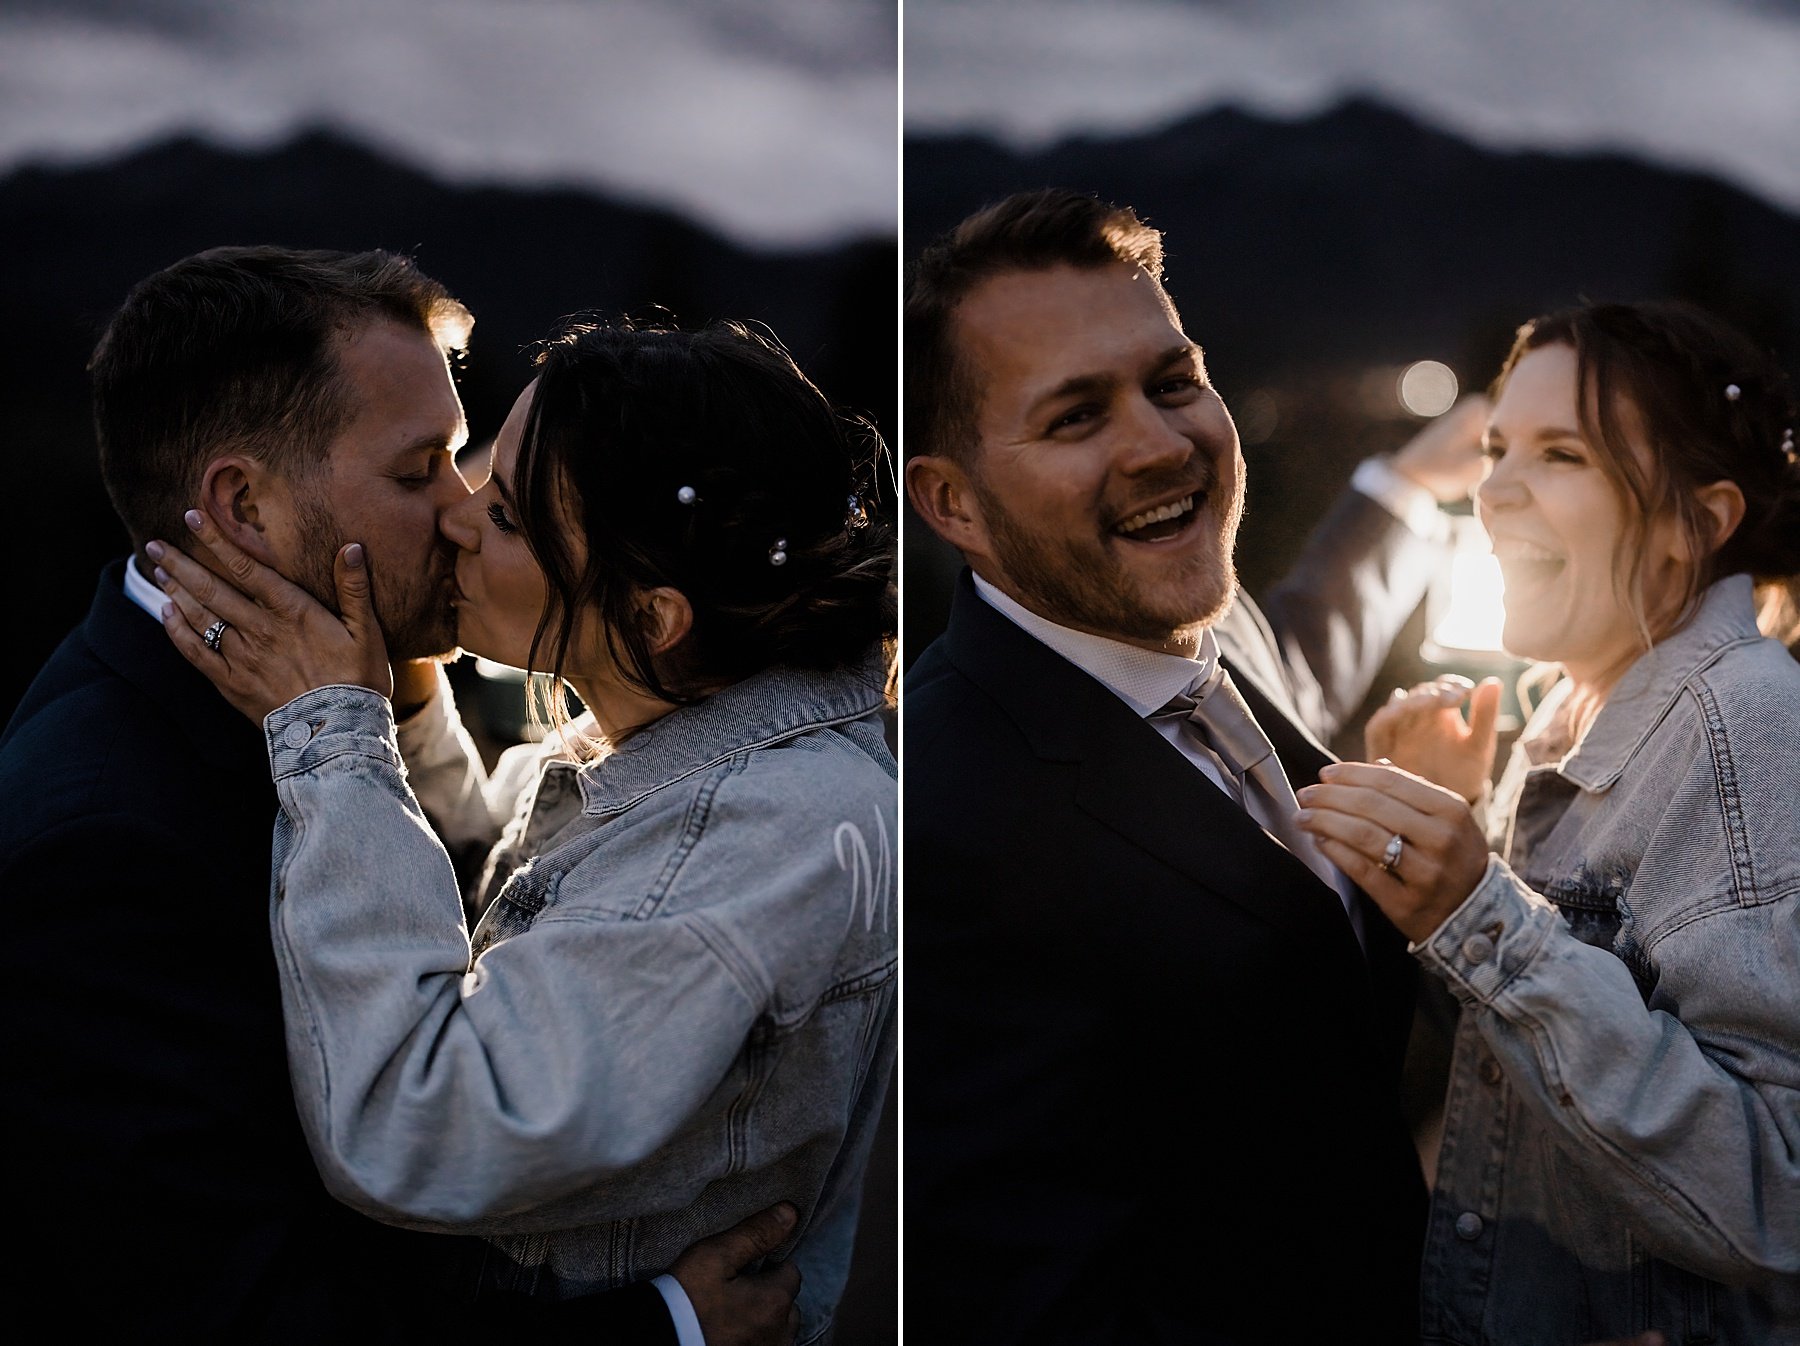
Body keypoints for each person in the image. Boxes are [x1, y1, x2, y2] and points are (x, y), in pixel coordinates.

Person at [0, 246, 801, 1343]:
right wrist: (663, 1326)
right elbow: (244, 1313)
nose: (466, 511)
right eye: (422, 468)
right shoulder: (99, 844)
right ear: (243, 507)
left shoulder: (328, 698)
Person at [148, 314, 898, 1346]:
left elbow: (418, 1125)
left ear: (651, 616)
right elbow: (531, 887)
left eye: (504, 513)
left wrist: (333, 738)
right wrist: (407, 709)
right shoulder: (690, 742)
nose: (456, 516)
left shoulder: (772, 830)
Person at [901, 186, 1483, 1344]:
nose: (1164, 442)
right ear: (953, 501)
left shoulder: (1213, 630)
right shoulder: (936, 816)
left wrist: (1405, 490)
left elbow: (1298, 662)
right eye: (1076, 417)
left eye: (1174, 383)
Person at [1295, 300, 1800, 1343]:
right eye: (1495, 448)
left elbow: (1774, 1193)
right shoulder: (1563, 715)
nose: (1493, 492)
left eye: (1561, 453)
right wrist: (1451, 842)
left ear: (1695, 521)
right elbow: (1523, 1066)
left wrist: (1477, 907)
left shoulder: (1746, 725)